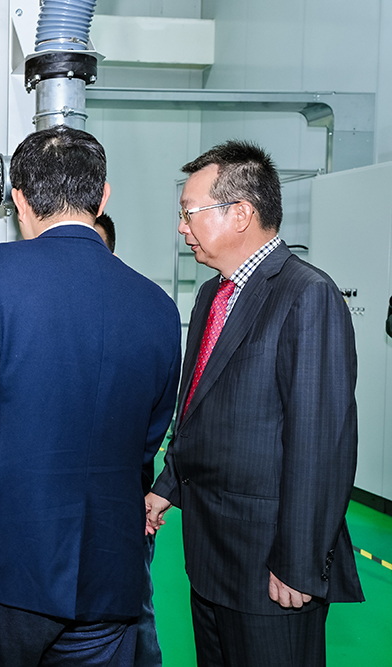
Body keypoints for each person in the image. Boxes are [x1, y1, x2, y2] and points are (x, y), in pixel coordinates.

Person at [0, 126, 181, 667]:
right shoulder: (157, 305)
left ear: (19, 200)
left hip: (0, 569)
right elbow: (147, 440)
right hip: (109, 575)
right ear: (103, 196)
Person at [145, 140, 364, 667]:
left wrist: (298, 562)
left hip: (271, 568)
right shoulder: (212, 295)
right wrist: (168, 486)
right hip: (210, 557)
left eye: (189, 213)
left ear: (240, 213)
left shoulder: (306, 294)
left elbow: (321, 444)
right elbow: (198, 409)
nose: (182, 227)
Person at [92, 212, 162, 667]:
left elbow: (150, 428)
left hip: (123, 507)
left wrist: (142, 500)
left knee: (136, 614)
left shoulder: (140, 319)